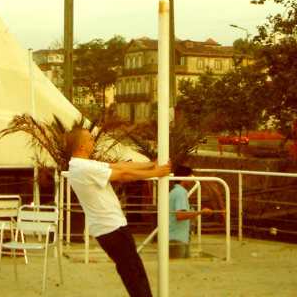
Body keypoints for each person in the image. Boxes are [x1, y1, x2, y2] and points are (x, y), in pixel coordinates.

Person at [66, 127, 171, 297]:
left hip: (112, 227)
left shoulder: (81, 165)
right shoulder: (84, 167)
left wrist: (151, 164)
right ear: (82, 146)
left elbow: (120, 166)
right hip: (111, 228)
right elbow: (122, 174)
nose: (93, 142)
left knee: (134, 270)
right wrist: (156, 172)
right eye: (90, 139)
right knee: (133, 273)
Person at [169, 164, 214, 258]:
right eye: (190, 176)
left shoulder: (177, 191)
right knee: (177, 264)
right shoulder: (180, 192)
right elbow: (180, 215)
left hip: (179, 237)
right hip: (177, 238)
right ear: (184, 177)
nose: (192, 179)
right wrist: (201, 212)